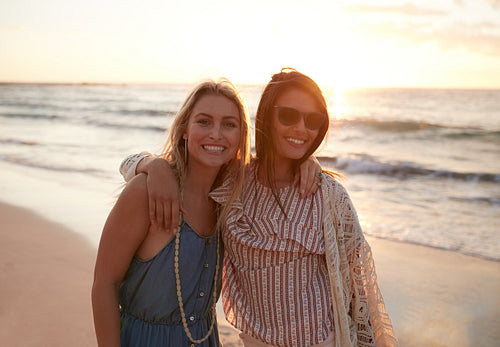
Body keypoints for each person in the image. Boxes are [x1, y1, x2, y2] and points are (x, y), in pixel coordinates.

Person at [121, 68, 398, 346]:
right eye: (288, 116)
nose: (301, 128)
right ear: (267, 116)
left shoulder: (328, 195)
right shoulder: (233, 180)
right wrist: (152, 165)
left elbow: (364, 295)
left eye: (313, 120)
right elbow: (134, 163)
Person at [91, 79, 251, 347]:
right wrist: (153, 164)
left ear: (240, 137)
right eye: (204, 121)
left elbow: (280, 170)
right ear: (184, 129)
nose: (216, 133)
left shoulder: (231, 197)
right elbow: (104, 284)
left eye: (229, 124)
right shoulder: (146, 191)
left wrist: (309, 164)